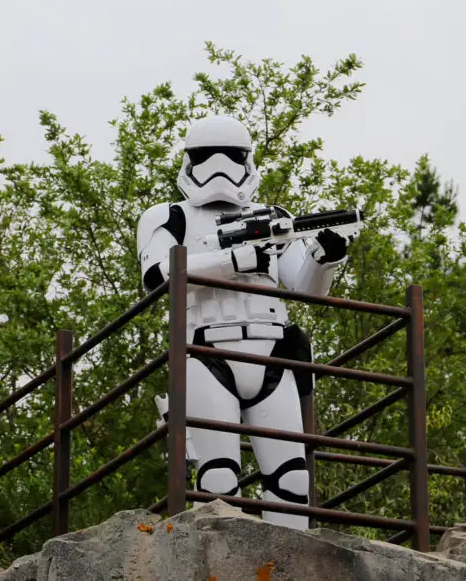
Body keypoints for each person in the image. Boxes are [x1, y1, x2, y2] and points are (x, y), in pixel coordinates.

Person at [136, 114, 351, 529]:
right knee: (218, 478)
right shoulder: (170, 217)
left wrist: (324, 259)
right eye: (207, 156)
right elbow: (157, 276)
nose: (219, 166)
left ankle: (289, 561)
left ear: (247, 160)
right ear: (190, 161)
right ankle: (215, 558)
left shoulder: (272, 217)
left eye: (231, 156)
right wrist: (233, 260)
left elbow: (307, 288)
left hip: (272, 352)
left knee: (292, 480)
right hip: (206, 352)